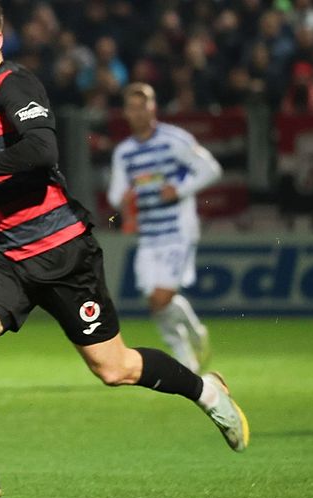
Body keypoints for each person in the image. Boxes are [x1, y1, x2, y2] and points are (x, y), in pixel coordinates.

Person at [0, 0, 248, 498]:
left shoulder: (15, 84)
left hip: (61, 252)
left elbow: (41, 151)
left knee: (115, 369)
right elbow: (10, 167)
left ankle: (207, 392)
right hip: (7, 253)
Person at [108, 83, 222, 374]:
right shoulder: (124, 152)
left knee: (161, 298)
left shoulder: (174, 140)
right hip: (148, 233)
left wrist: (181, 189)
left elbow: (211, 169)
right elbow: (115, 193)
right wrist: (124, 198)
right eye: (132, 108)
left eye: (143, 106)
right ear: (126, 112)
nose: (138, 113)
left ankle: (190, 341)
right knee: (154, 301)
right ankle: (189, 353)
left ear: (153, 108)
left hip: (178, 230)